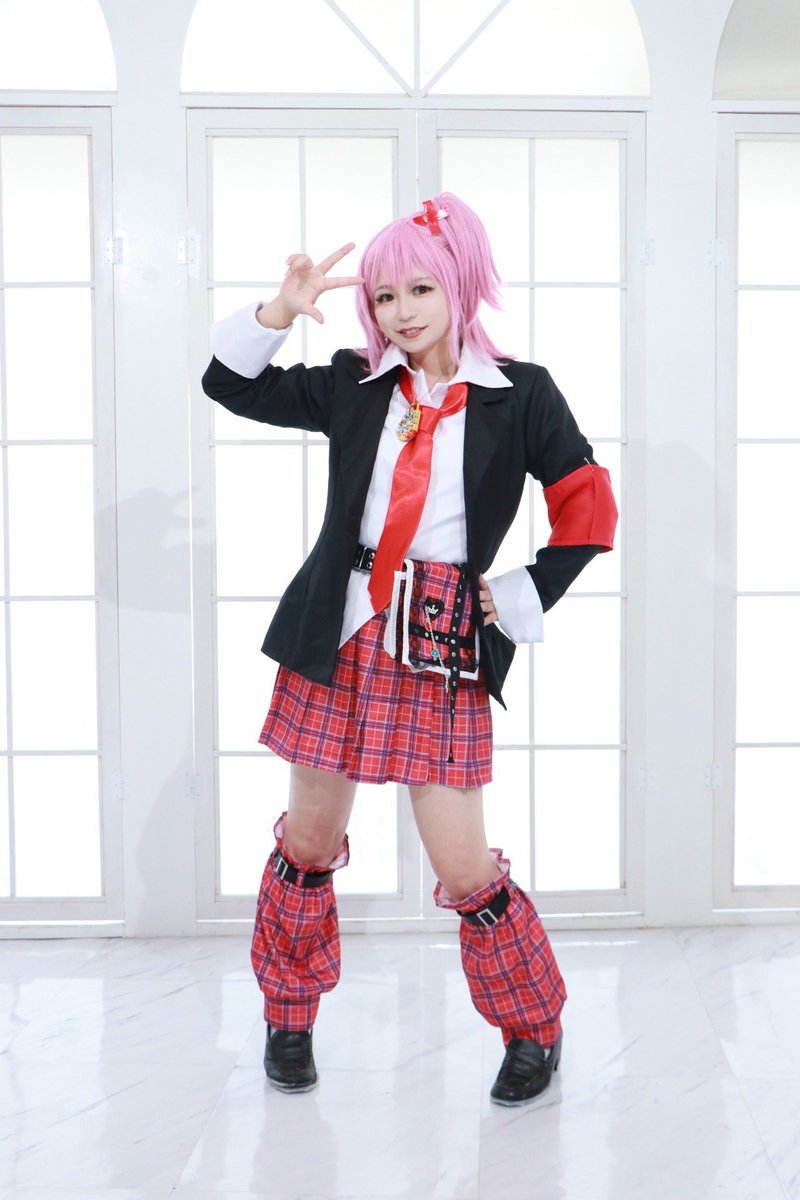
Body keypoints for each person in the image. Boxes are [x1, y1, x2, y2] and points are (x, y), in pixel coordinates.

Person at [201, 192, 617, 1107]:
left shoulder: (521, 394)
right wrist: (279, 311)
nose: (401, 311)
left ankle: (532, 1028)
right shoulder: (355, 382)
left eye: (421, 289)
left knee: (464, 867)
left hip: (442, 636)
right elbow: (230, 386)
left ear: (460, 285)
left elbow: (588, 504)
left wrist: (519, 593)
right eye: (384, 296)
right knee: (308, 842)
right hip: (341, 628)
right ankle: (289, 1015)